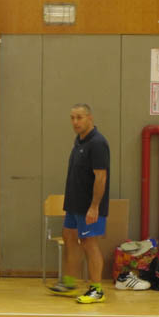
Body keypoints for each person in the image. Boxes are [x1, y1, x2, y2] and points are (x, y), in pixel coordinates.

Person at [50, 103, 110, 304]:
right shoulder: (79, 141)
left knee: (89, 243)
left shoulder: (98, 143)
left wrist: (94, 207)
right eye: (72, 118)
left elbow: (101, 177)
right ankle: (69, 283)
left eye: (79, 117)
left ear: (89, 118)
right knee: (69, 237)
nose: (75, 122)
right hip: (74, 205)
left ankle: (97, 290)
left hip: (89, 206)